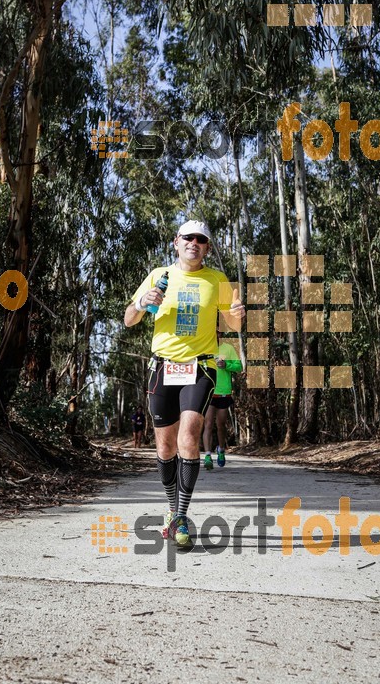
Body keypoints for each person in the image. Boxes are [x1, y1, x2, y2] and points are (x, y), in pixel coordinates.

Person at [124, 219, 245, 547]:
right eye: (188, 237)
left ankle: (181, 517)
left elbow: (232, 324)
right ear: (176, 242)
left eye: (201, 239)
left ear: (207, 247)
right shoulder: (158, 277)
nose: (194, 242)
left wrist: (237, 314)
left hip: (200, 368)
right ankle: (171, 508)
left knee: (189, 437)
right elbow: (128, 319)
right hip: (162, 367)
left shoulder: (217, 280)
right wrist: (140, 303)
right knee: (164, 446)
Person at [203, 331, 243, 470]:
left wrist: (226, 365)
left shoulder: (228, 348)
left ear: (220, 334)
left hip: (224, 393)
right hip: (208, 392)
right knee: (208, 424)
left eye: (217, 332)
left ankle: (221, 450)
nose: (215, 334)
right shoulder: (203, 347)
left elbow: (239, 367)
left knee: (221, 425)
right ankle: (207, 456)